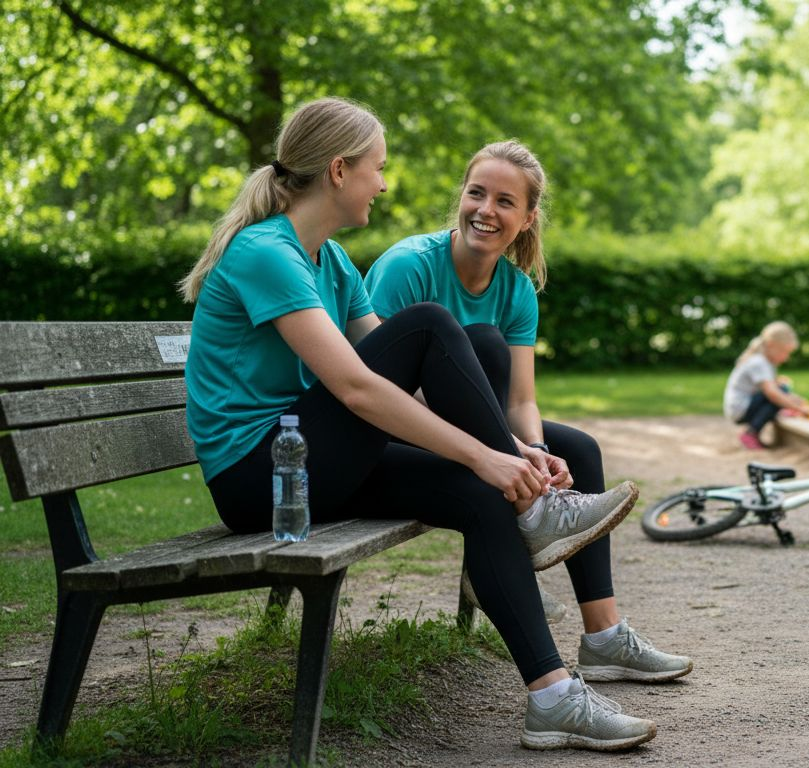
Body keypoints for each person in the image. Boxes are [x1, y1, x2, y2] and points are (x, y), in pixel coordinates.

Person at [180, 100, 656, 751]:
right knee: (432, 323)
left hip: (309, 457)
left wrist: (511, 453)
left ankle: (552, 699)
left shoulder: (331, 261)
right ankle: (540, 512)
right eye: (377, 168)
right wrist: (485, 452)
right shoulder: (266, 252)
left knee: (481, 492)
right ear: (340, 170)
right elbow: (357, 387)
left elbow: (411, 385)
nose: (383, 183)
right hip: (257, 475)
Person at [363, 140, 692, 687]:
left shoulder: (516, 290)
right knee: (483, 343)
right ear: (461, 197)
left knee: (577, 449)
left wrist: (535, 451)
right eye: (476, 194)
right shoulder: (409, 267)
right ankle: (520, 535)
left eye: (504, 201)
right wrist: (504, 450)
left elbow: (519, 401)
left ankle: (604, 637)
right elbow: (379, 386)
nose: (485, 210)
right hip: (401, 430)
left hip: (478, 433)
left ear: (528, 217)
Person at [723, 321, 809, 450]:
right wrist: (799, 409)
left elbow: (776, 388)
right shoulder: (759, 362)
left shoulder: (765, 362)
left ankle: (756, 430)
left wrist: (798, 400)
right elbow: (772, 393)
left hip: (742, 407)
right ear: (771, 345)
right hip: (740, 409)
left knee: (782, 389)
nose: (787, 358)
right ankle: (750, 433)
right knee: (777, 395)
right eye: (785, 352)